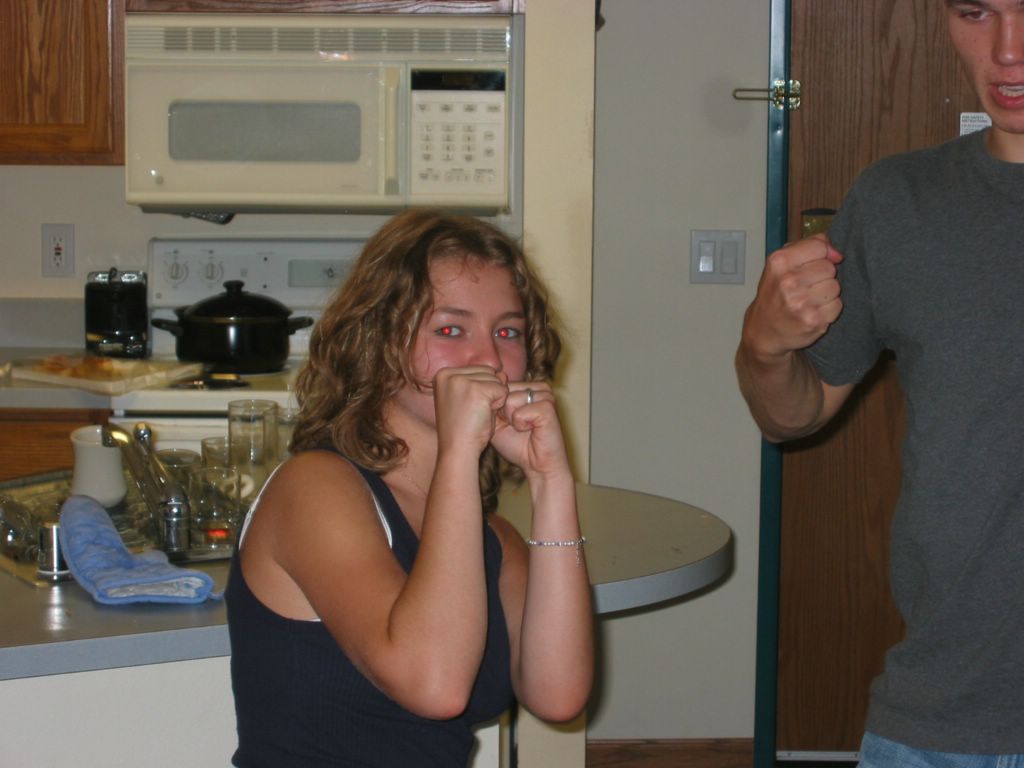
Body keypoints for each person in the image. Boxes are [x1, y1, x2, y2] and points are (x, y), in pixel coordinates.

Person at [735, 2, 1024, 765]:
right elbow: (794, 416)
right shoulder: (897, 201)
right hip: (938, 715)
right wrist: (765, 347)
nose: (1007, 48)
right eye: (977, 11)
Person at [225, 209, 594, 766]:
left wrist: (552, 481)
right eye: (450, 329)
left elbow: (559, 695)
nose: (489, 359)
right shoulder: (315, 488)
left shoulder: (493, 539)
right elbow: (434, 684)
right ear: (376, 341)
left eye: (508, 332)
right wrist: (459, 452)